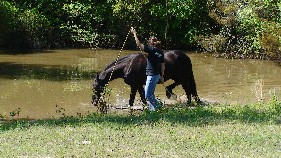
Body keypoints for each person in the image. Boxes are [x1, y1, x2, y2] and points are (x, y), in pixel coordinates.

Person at [130, 27, 165, 111]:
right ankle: (152, 110)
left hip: (151, 76)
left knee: (147, 95)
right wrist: (162, 76)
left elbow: (138, 44)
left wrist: (134, 33)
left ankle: (159, 106)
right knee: (151, 94)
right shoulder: (160, 52)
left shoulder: (151, 49)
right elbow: (163, 65)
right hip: (157, 76)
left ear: (151, 43)